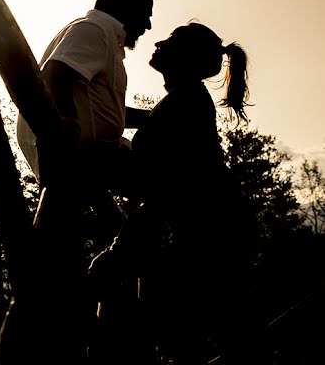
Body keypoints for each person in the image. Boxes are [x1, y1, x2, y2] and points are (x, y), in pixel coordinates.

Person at [0, 0, 158, 364]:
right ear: (119, 1)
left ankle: (109, 313)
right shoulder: (95, 29)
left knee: (112, 237)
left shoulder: (106, 41)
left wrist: (153, 117)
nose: (148, 25)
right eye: (145, 13)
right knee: (160, 188)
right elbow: (54, 76)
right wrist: (66, 125)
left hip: (89, 153)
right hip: (76, 155)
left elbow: (108, 112)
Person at [88, 22, 263, 364]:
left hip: (216, 233)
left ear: (184, 58)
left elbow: (156, 188)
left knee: (213, 329)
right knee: (216, 327)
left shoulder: (182, 106)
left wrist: (120, 249)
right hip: (215, 230)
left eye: (169, 41)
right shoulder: (182, 102)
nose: (157, 42)